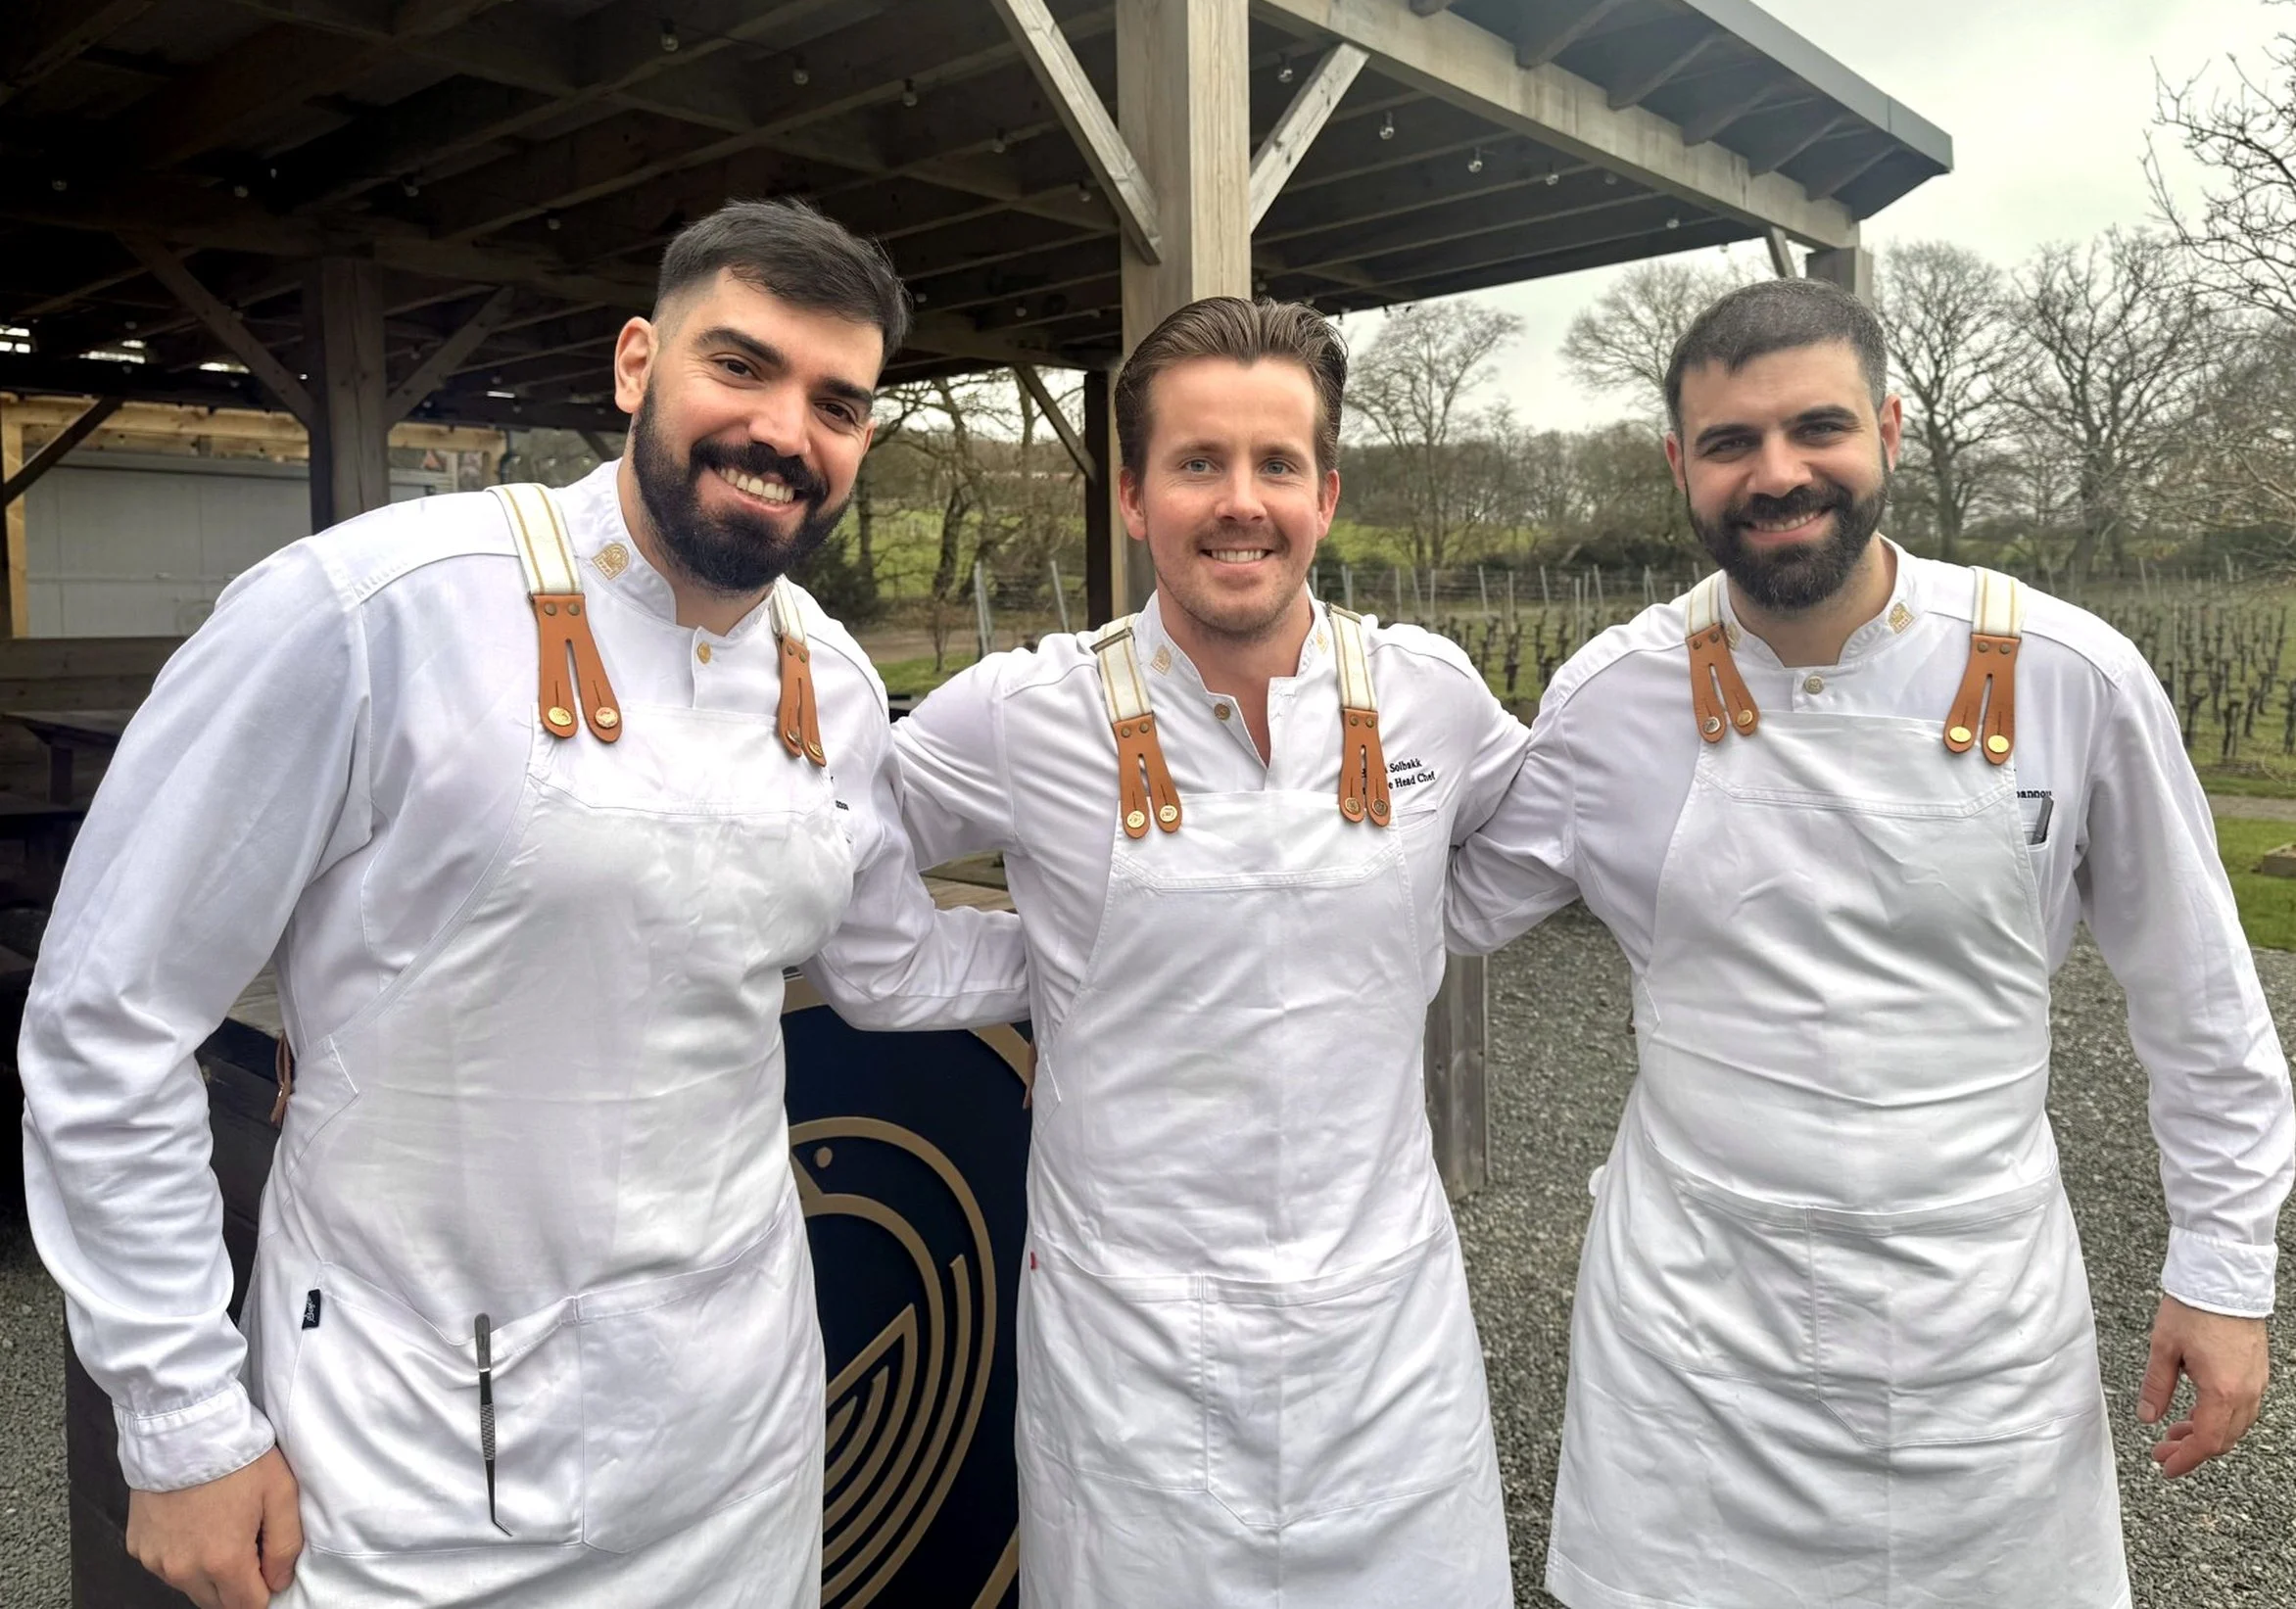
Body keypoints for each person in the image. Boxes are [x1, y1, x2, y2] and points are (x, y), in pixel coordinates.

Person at [18, 199, 1031, 1609]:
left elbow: (886, 966)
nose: (783, 430)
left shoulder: (837, 685)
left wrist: (1119, 946)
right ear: (637, 364)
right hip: (409, 1454)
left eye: (836, 402)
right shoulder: (372, 610)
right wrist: (179, 1417)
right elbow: (106, 1016)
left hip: (737, 1434)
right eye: (740, 365)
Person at [1447, 277, 2296, 1609]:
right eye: (1731, 442)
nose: (1778, 473)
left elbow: (2200, 1001)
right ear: (1679, 465)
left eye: (1819, 428)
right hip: (1695, 1336)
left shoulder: (2069, 674)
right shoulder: (1610, 700)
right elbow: (1430, 905)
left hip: (1979, 1332)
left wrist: (2225, 1270)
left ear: (1890, 430)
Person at [887, 297, 1525, 1605]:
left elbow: (1549, 838)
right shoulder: (1025, 712)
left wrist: (1414, 925)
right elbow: (833, 856)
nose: (1242, 502)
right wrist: (1038, 965)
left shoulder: (1432, 695)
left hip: (1385, 1345)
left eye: (1276, 463)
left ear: (1326, 495)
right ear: (1132, 496)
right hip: (1132, 1362)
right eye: (1197, 463)